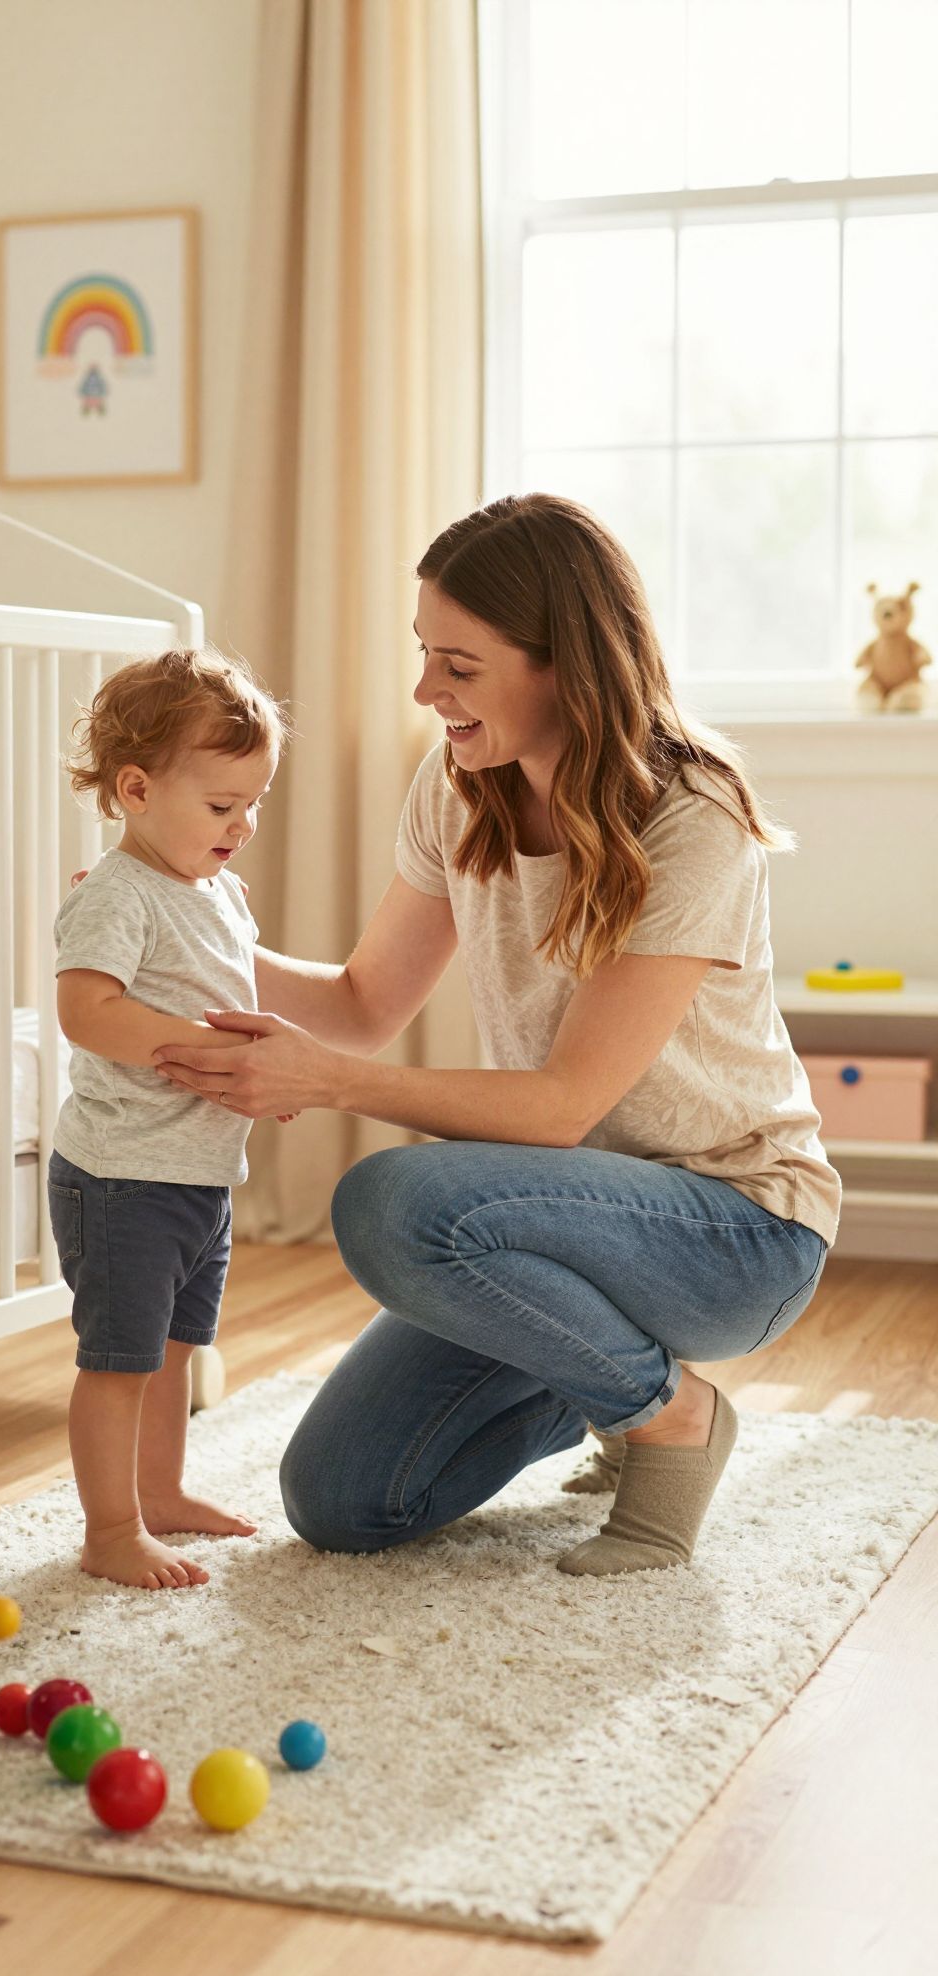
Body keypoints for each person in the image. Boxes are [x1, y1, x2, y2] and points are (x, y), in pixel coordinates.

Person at [155, 495, 842, 1576]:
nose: (427, 691)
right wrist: (175, 926)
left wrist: (329, 1082)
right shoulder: (458, 787)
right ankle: (596, 1380)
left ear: (563, 663)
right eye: (425, 655)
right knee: (340, 1497)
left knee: (387, 1202)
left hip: (736, 1230)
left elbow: (563, 1103)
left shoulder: (692, 819)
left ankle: (667, 1415)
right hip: (549, 1227)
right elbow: (362, 999)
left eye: (459, 666)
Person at [49, 645, 293, 1591]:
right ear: (138, 789)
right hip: (122, 1176)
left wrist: (261, 1067)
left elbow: (230, 999)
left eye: (253, 804)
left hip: (196, 1172)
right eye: (222, 806)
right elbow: (88, 1012)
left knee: (179, 1350)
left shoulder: (217, 890)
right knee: (119, 1362)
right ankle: (110, 1529)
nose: (244, 825)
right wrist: (206, 1052)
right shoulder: (117, 895)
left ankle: (162, 1491)